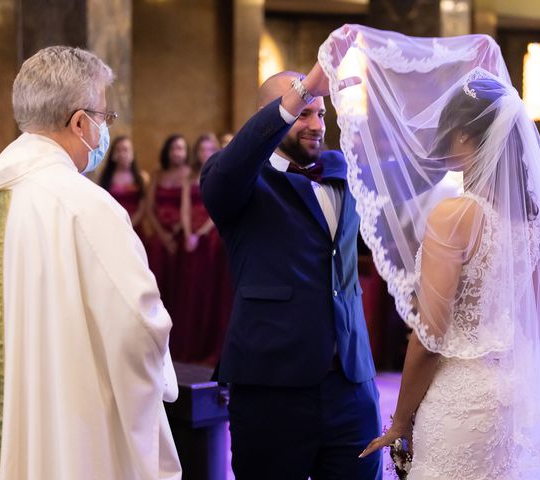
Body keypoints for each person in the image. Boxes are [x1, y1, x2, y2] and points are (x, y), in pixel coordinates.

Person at [318, 25, 540, 479]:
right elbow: (532, 320)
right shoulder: (531, 225)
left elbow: (430, 337)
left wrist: (400, 419)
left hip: (461, 395)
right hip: (509, 396)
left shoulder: (456, 215)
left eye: (448, 130)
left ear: (466, 140)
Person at [0, 46, 181, 480]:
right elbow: (138, 327)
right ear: (80, 122)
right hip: (72, 433)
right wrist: (163, 377)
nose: (104, 129)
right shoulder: (87, 206)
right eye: (105, 117)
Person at [200, 55, 383, 477]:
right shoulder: (237, 181)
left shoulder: (346, 171)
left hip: (351, 384)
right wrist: (305, 86)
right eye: (303, 113)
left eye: (321, 112)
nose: (316, 124)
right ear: (269, 117)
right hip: (272, 385)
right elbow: (231, 170)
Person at [173, 132, 230, 364]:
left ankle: (210, 343)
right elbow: (185, 207)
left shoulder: (220, 173)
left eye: (209, 149)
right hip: (192, 239)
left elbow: (219, 209)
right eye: (201, 150)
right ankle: (191, 343)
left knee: (210, 291)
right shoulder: (190, 176)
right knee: (190, 290)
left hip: (211, 238)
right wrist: (188, 234)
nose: (205, 153)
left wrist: (201, 233)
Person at [145, 134, 189, 321]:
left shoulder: (189, 174)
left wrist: (177, 229)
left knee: (181, 283)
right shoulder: (158, 174)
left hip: (181, 234)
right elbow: (148, 207)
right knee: (157, 279)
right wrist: (162, 235)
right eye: (173, 148)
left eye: (180, 148)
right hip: (160, 235)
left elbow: (191, 207)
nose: (177, 153)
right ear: (167, 151)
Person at [99, 135, 149, 240]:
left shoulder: (142, 177)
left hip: (135, 228)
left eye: (125, 150)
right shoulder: (105, 177)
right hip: (112, 226)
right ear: (113, 154)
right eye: (118, 150)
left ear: (132, 153)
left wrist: (129, 225)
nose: (122, 154)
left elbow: (143, 206)